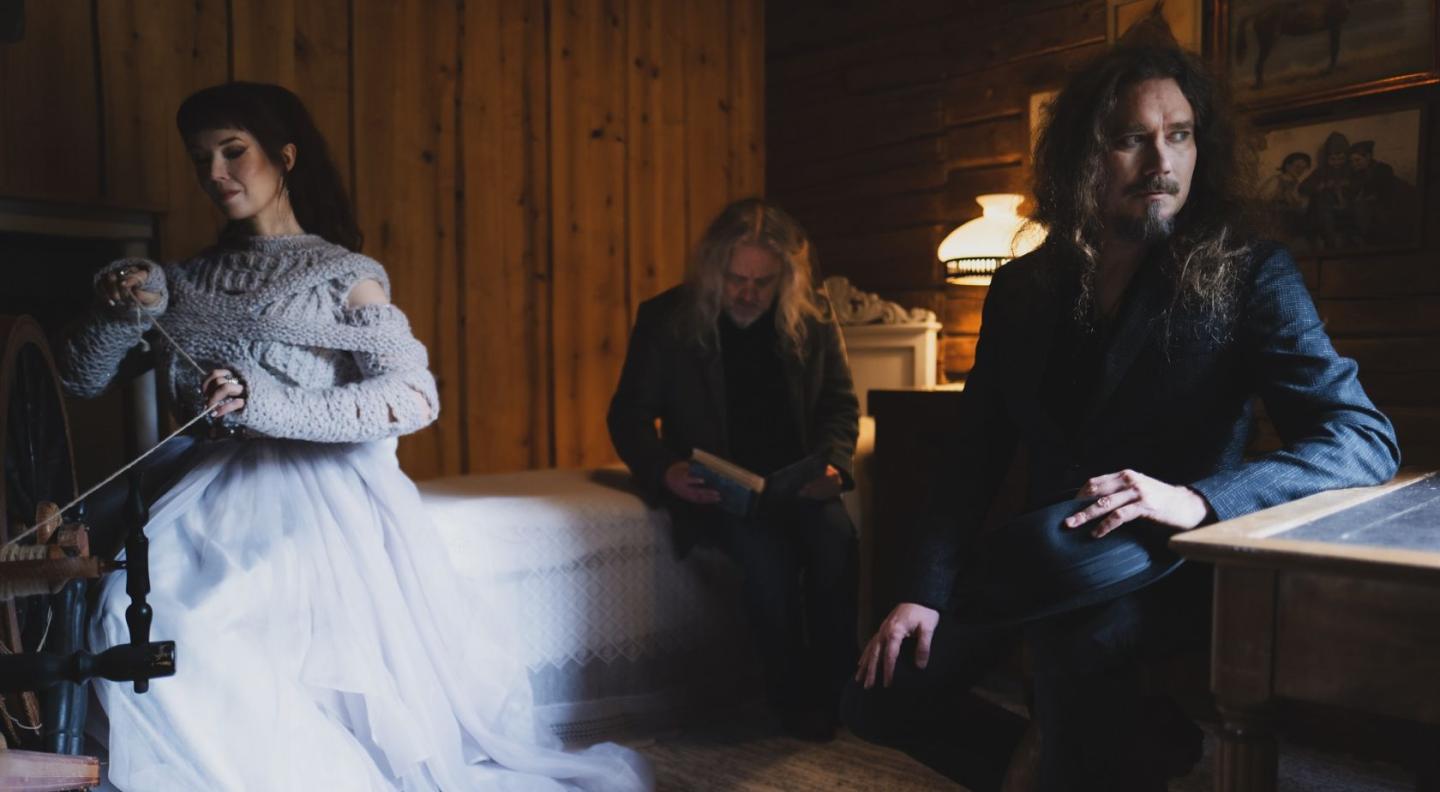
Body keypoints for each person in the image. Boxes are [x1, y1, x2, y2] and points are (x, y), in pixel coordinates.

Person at [843, 19, 1399, 792]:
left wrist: (1196, 498)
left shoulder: (1250, 272)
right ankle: (1084, 758)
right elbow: (970, 460)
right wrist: (919, 592)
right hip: (1043, 560)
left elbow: (1362, 437)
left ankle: (1080, 762)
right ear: (1083, 155)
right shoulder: (1022, 289)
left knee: (1080, 654)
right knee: (879, 693)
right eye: (1131, 139)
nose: (1161, 162)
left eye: (1180, 135)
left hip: (1171, 568)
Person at [61, 82, 650, 792]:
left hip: (309, 499)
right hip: (197, 490)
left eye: (233, 152)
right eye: (200, 159)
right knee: (130, 614)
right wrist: (124, 305)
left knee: (208, 619)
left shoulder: (342, 275)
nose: (215, 174)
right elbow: (82, 377)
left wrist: (270, 402)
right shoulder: (181, 281)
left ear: (284, 157)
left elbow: (412, 395)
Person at [607, 198, 860, 741]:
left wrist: (836, 465)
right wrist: (667, 469)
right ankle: (792, 700)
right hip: (716, 490)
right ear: (713, 269)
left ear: (786, 278)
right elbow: (627, 417)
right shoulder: (666, 319)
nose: (747, 293)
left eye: (763, 282)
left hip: (796, 484)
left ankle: (843, 694)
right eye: (735, 278)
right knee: (765, 559)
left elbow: (840, 405)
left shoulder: (812, 315)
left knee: (836, 541)